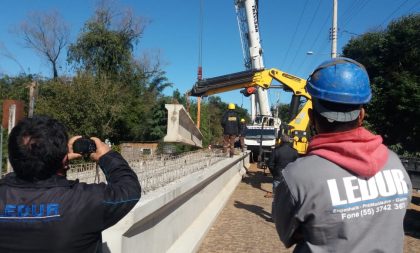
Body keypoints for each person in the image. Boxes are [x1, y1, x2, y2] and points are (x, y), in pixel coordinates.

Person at [273, 57, 412, 252]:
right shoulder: (394, 162)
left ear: (312, 117)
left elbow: (287, 233)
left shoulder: (296, 177)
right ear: (361, 115)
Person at [0, 116, 141, 253]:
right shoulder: (85, 201)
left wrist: (59, 157)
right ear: (64, 161)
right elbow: (129, 188)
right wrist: (107, 156)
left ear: (12, 156)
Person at [266, 135, 298, 199]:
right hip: (290, 177)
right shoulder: (294, 151)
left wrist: (274, 173)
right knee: (288, 198)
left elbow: (270, 164)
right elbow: (297, 165)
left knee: (276, 197)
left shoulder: (276, 151)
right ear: (289, 141)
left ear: (281, 141)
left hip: (278, 175)